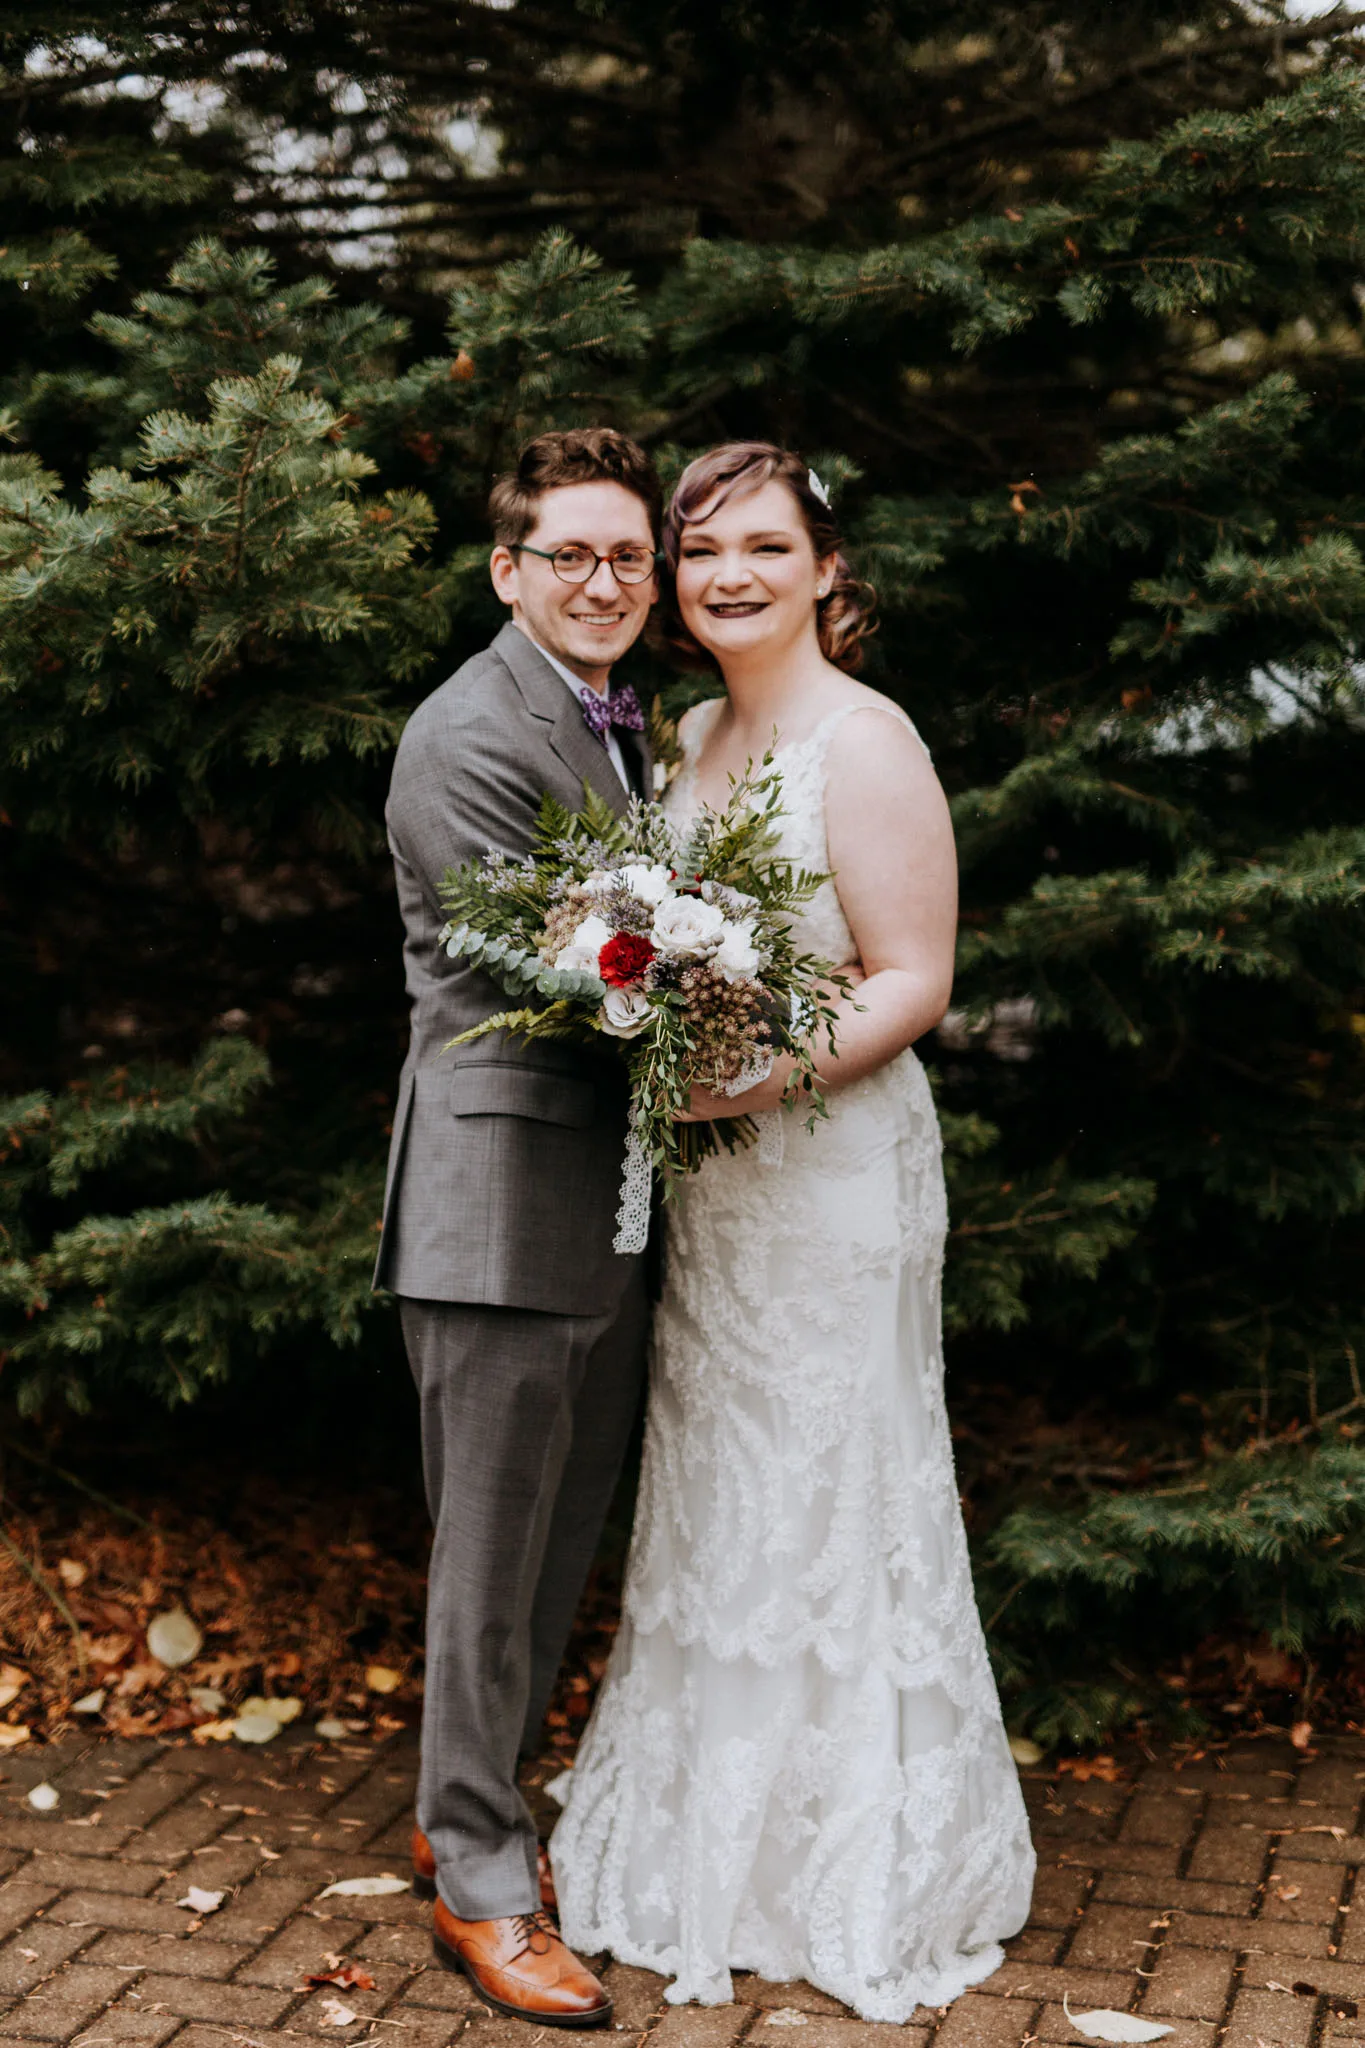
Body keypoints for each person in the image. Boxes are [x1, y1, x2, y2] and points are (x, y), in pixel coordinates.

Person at [549, 443, 1036, 2022]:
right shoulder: (687, 736)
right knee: (722, 1489)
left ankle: (856, 1856)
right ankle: (716, 1844)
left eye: (765, 546)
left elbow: (914, 982)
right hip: (721, 1190)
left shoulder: (866, 742)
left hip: (831, 1177)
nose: (729, 575)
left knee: (836, 1482)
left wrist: (748, 1076)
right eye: (702, 552)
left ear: (828, 568)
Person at [374, 427, 662, 2028]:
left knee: (556, 1546)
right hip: (497, 1199)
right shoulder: (468, 733)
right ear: (509, 569)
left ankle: (471, 1811)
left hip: (604, 1200)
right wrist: (717, 994)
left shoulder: (622, 721)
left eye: (629, 557)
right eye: (571, 555)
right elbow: (550, 964)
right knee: (491, 1562)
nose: (604, 582)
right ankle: (480, 1886)